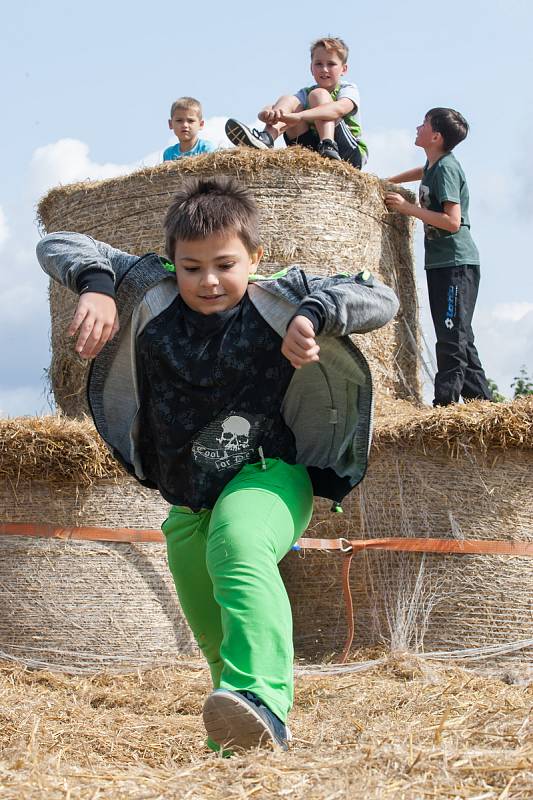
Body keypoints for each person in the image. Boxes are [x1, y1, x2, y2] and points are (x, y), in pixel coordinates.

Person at [36, 177, 398, 753]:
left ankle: (265, 701)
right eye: (191, 267)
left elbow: (381, 298)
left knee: (238, 543)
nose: (208, 280)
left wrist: (314, 316)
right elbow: (56, 242)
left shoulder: (280, 297)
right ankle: (238, 741)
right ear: (171, 263)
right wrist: (98, 286)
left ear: (255, 257)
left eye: (225, 264)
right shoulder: (147, 289)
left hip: (270, 471)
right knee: (212, 624)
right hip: (189, 496)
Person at [385, 108, 492, 407]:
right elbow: (422, 172)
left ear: (435, 136)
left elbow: (451, 221)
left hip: (456, 263)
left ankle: (443, 406)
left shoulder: (446, 168)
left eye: (424, 124)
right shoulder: (436, 164)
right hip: (442, 262)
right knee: (460, 336)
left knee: (451, 336)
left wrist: (408, 210)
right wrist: (389, 181)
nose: (417, 127)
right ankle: (481, 405)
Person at [225, 37, 367, 167]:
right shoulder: (305, 93)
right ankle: (266, 138)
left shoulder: (348, 89)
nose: (324, 69)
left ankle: (328, 145)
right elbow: (287, 107)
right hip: (313, 151)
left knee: (318, 95)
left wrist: (300, 116)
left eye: (331, 64)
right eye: (318, 64)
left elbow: (338, 109)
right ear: (311, 68)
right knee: (288, 100)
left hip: (348, 154)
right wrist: (271, 113)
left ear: (344, 69)